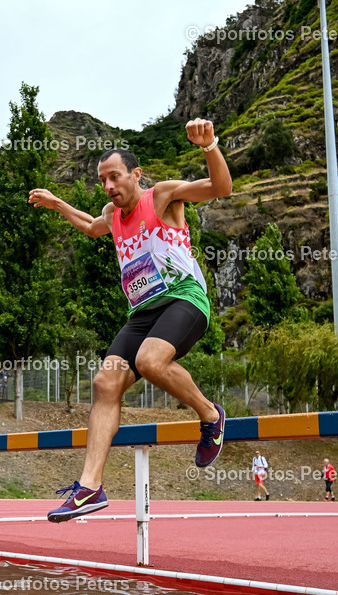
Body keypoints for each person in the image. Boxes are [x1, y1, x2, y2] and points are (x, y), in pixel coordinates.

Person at [29, 119, 232, 523]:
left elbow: (221, 189)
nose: (108, 187)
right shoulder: (112, 214)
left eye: (115, 177)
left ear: (135, 175)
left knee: (150, 361)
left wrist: (209, 148)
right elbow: (91, 227)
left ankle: (211, 415)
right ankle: (89, 489)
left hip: (183, 299)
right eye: (102, 180)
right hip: (141, 312)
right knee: (105, 381)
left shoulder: (163, 197)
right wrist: (58, 205)